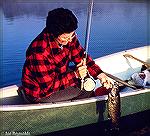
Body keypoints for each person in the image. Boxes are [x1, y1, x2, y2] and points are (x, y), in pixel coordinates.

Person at [18, 8, 112, 103]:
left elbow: (81, 57)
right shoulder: (39, 52)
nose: (70, 40)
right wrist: (75, 74)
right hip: (40, 92)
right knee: (85, 89)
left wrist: (100, 75)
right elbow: (48, 87)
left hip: (57, 74)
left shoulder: (69, 36)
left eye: (72, 35)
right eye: (65, 37)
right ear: (54, 33)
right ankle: (73, 110)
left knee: (87, 78)